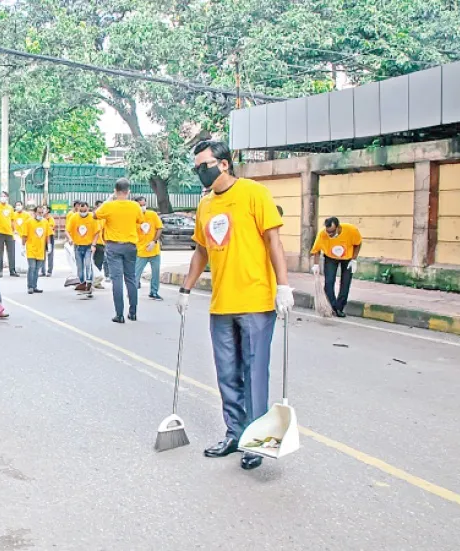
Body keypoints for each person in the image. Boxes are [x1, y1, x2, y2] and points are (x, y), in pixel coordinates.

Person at [176, 141, 294, 471]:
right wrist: (186, 288)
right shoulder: (205, 206)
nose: (201, 172)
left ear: (224, 164)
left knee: (254, 373)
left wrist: (283, 286)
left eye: (205, 165)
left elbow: (274, 240)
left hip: (256, 301)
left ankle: (256, 442)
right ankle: (235, 433)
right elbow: (201, 251)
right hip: (221, 304)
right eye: (197, 167)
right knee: (227, 373)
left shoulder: (254, 194)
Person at [94, 178, 144, 323]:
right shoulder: (135, 206)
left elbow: (95, 215)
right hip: (130, 246)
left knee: (117, 280)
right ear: (128, 192)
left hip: (113, 246)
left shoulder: (109, 206)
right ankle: (133, 312)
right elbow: (140, 220)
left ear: (115, 191)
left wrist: (109, 199)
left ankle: (119, 314)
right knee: (131, 278)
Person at [311, 216, 362, 318]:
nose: (329, 234)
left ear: (338, 227)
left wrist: (354, 259)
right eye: (328, 231)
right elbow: (316, 250)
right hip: (330, 258)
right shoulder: (322, 234)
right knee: (329, 283)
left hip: (347, 258)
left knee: (345, 283)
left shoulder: (351, 230)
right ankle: (332, 307)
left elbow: (358, 243)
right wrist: (316, 265)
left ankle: (340, 307)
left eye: (332, 232)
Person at [134, 196, 164, 301]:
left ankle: (154, 292)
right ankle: (132, 291)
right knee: (136, 273)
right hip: (140, 250)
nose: (142, 207)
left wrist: (154, 241)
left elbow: (159, 228)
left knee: (155, 272)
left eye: (143, 204)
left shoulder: (152, 214)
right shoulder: (133, 218)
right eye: (140, 205)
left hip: (154, 249)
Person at [66, 201, 96, 294]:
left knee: (88, 264)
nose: (83, 212)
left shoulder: (92, 217)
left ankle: (89, 282)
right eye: (81, 210)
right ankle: (82, 282)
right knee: (80, 267)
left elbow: (97, 232)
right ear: (78, 209)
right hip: (77, 246)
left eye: (85, 210)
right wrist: (70, 239)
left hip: (88, 246)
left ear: (88, 209)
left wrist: (94, 245)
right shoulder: (74, 217)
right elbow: (67, 230)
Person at [0, 190, 19, 278]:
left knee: (11, 252)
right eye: (1, 196)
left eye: (4, 196)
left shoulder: (10, 207)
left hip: (9, 233)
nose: (2, 198)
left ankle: (12, 270)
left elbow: (12, 220)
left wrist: (14, 230)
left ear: (7, 198)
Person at [21, 205, 48, 294]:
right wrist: (23, 247)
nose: (40, 214)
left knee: (37, 269)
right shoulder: (28, 222)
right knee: (31, 267)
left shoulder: (45, 222)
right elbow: (24, 235)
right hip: (31, 248)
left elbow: (47, 235)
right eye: (39, 212)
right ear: (34, 213)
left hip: (40, 249)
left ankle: (34, 286)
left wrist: (49, 245)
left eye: (42, 212)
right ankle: (30, 287)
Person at [92, 199, 109, 284]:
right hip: (91, 243)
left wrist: (106, 243)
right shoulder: (92, 217)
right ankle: (88, 281)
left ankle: (97, 282)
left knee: (99, 263)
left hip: (101, 243)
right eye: (100, 206)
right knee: (90, 262)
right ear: (96, 207)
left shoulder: (103, 218)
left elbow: (104, 231)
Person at [40, 206, 56, 277]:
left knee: (50, 254)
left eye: (44, 209)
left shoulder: (50, 218)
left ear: (48, 210)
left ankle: (49, 271)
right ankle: (42, 271)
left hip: (50, 236)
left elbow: (51, 228)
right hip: (42, 236)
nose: (43, 210)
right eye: (42, 209)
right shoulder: (40, 219)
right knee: (42, 254)